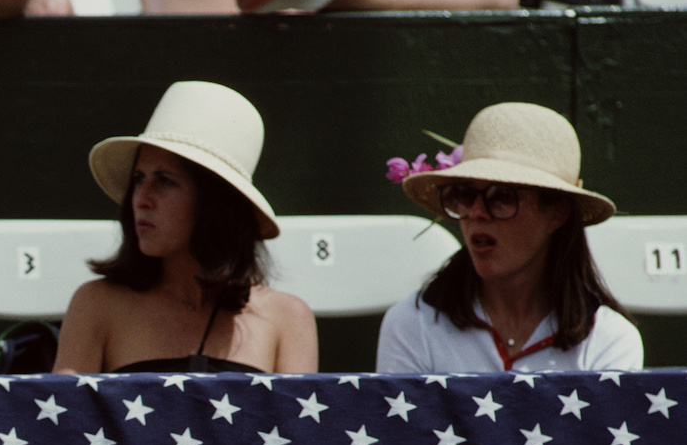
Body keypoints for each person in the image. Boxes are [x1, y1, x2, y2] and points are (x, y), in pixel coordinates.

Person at [53, 81, 317, 376]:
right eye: (138, 178)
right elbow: (67, 420)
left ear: (217, 202)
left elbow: (297, 422)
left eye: (165, 180)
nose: (141, 199)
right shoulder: (96, 305)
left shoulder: (288, 318)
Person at [377, 102, 642, 374]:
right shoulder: (412, 324)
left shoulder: (610, 340)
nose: (476, 213)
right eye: (465, 194)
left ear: (557, 214)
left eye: (502, 196)